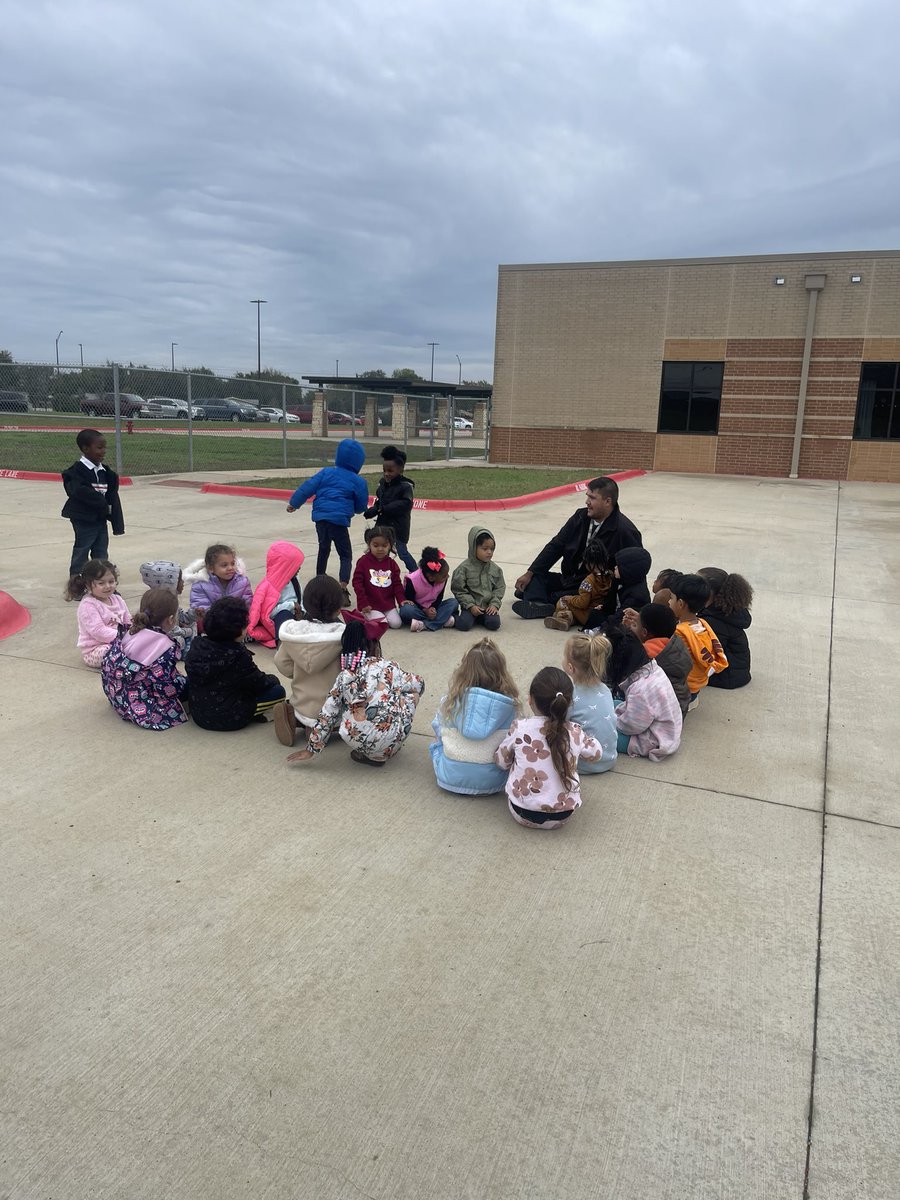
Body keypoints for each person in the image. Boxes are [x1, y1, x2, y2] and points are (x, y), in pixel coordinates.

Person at [287, 621, 424, 767]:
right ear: (374, 647)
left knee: (348, 709)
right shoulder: (388, 666)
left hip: (358, 739)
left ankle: (368, 752)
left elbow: (327, 714)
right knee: (412, 694)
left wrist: (311, 749)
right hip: (395, 738)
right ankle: (385, 749)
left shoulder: (344, 677)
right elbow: (419, 684)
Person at [512, 476, 642, 619]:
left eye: (592, 498)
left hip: (591, 588)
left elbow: (635, 569)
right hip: (568, 579)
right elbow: (556, 546)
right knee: (536, 576)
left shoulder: (625, 531)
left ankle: (538, 600)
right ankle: (541, 602)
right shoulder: (580, 517)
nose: (587, 502)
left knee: (542, 593)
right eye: (587, 497)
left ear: (607, 501)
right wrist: (529, 573)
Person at [494, 666, 603, 829]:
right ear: (568, 703)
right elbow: (597, 754)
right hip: (563, 815)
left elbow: (501, 762)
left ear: (530, 699)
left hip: (522, 812)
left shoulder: (520, 728)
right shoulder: (574, 731)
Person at [430, 637, 520, 795]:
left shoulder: (450, 702)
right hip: (494, 781)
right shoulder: (510, 707)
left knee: (437, 739)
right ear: (501, 673)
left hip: (449, 777)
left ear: (463, 672)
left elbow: (438, 729)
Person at [184, 596, 286, 731]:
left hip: (199, 713)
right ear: (235, 631)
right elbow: (260, 683)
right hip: (229, 718)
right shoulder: (237, 656)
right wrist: (274, 679)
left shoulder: (197, 645)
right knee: (278, 691)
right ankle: (256, 714)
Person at [286, 438, 368, 596]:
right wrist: (356, 510)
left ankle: (319, 581)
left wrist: (294, 504)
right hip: (339, 521)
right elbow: (361, 505)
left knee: (323, 549)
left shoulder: (326, 472)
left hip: (321, 519)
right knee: (345, 554)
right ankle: (342, 587)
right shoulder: (358, 481)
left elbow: (307, 487)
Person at [272, 574, 345, 747]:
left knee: (303, 709)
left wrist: (299, 671)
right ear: (338, 608)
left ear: (305, 604)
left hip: (303, 703)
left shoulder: (294, 634)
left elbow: (281, 662)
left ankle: (298, 721)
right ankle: (325, 729)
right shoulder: (342, 636)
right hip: (336, 708)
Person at [100, 588, 189, 731]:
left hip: (117, 693)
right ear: (171, 619)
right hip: (141, 701)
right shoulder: (166, 646)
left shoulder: (130, 630)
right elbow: (165, 686)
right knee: (187, 683)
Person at [605, 625, 682, 761]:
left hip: (651, 740)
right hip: (662, 726)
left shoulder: (640, 690)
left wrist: (609, 720)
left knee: (601, 733)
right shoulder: (652, 667)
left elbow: (631, 727)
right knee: (611, 702)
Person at [61, 429, 125, 577]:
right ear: (85, 448)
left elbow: (113, 499)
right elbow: (77, 491)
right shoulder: (76, 472)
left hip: (100, 519)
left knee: (101, 551)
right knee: (82, 550)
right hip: (83, 519)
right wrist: (101, 502)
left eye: (105, 447)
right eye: (99, 447)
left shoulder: (106, 473)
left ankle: (101, 581)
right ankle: (77, 583)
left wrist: (117, 523)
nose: (103, 451)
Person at [669, 573, 729, 707]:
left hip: (683, 690)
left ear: (680, 603)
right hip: (697, 684)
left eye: (671, 598)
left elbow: (669, 662)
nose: (668, 602)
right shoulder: (702, 624)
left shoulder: (680, 632)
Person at [562, 633, 618, 774]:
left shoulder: (570, 695)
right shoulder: (605, 689)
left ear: (570, 668)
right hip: (609, 759)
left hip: (582, 764)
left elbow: (559, 723)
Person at [624, 602, 692, 716]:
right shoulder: (675, 642)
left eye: (636, 625)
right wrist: (641, 620)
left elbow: (624, 673)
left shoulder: (647, 654)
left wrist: (628, 633)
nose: (633, 626)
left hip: (660, 713)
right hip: (680, 705)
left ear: (645, 632)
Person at [64, 558, 131, 668]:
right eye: (101, 583)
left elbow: (127, 620)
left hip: (121, 640)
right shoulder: (88, 605)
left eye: (111, 581)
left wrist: (134, 632)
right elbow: (98, 631)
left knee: (140, 643)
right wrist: (125, 637)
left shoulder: (117, 599)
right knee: (117, 651)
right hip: (96, 649)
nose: (108, 586)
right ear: (87, 585)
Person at [698, 567, 753, 689]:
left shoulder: (714, 620)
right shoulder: (725, 610)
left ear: (710, 591)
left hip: (728, 677)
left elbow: (707, 654)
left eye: (698, 585)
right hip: (736, 672)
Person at [543, 538, 613, 631]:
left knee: (563, 601)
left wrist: (570, 599)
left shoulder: (588, 581)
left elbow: (583, 603)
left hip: (589, 615)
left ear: (587, 563)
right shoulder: (611, 575)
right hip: (604, 613)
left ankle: (563, 618)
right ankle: (569, 619)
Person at [365, 445, 416, 571]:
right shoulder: (383, 484)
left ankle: (416, 574)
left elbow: (405, 503)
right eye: (384, 470)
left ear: (400, 470)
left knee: (402, 552)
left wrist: (383, 508)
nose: (387, 474)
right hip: (382, 527)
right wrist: (373, 510)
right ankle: (379, 574)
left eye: (390, 471)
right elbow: (380, 502)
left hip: (398, 528)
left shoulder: (405, 486)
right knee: (380, 552)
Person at [246, 541, 305, 649]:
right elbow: (267, 614)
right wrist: (291, 605)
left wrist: (302, 611)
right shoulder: (268, 586)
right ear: (285, 566)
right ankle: (283, 646)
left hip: (297, 615)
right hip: (278, 620)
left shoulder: (295, 580)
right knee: (284, 615)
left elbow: (301, 599)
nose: (299, 568)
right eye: (295, 565)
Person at [584, 546, 652, 633]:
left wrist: (602, 629)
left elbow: (621, 616)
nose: (615, 567)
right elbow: (611, 599)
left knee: (618, 629)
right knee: (595, 614)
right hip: (616, 613)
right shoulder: (620, 579)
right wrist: (605, 607)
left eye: (619, 566)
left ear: (628, 571)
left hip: (626, 621)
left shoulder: (638, 595)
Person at [451, 526, 506, 632]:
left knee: (494, 624)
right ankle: (453, 617)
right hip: (470, 607)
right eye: (485, 549)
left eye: (492, 549)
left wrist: (494, 604)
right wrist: (470, 606)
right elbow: (459, 590)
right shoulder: (463, 568)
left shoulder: (496, 569)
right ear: (473, 547)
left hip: (487, 607)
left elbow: (499, 588)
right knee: (464, 625)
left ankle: (480, 618)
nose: (489, 552)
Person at [350, 525, 405, 632]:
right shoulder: (363, 562)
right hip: (370, 605)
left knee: (396, 624)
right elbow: (357, 584)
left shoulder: (392, 564)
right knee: (382, 624)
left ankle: (379, 616)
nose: (380, 549)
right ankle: (362, 615)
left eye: (384, 546)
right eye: (376, 545)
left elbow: (397, 584)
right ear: (369, 544)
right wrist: (363, 603)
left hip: (387, 604)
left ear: (390, 546)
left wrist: (401, 600)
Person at [139, 560, 198, 649]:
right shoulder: (163, 604)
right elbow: (171, 630)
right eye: (179, 580)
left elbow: (181, 617)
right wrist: (188, 631)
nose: (183, 582)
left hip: (172, 631)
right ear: (170, 583)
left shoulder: (170, 599)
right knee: (179, 639)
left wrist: (194, 614)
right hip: (163, 638)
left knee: (194, 623)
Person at [186, 544, 253, 618]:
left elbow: (248, 604)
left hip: (237, 621)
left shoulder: (242, 582)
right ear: (211, 568)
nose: (230, 568)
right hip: (212, 623)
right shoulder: (201, 585)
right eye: (224, 565)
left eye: (233, 563)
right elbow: (201, 608)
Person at [399, 547, 458, 631]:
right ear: (431, 577)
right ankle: (441, 620)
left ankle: (424, 624)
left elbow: (439, 597)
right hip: (418, 609)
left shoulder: (442, 580)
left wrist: (433, 608)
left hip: (434, 609)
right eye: (444, 576)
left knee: (453, 602)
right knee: (406, 610)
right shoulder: (412, 580)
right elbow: (410, 600)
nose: (447, 577)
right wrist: (425, 610)